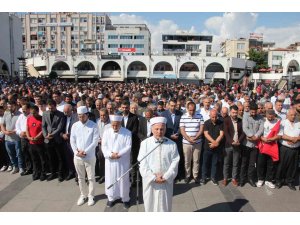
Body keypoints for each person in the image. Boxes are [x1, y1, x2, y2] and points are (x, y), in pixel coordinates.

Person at [138, 117, 179, 212]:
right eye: (156, 129)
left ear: (165, 129)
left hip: (165, 181)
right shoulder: (145, 144)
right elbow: (142, 163)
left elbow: (175, 162)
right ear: (152, 129)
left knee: (164, 206)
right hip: (151, 182)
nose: (159, 131)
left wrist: (166, 176)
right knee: (150, 205)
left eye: (162, 129)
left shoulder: (172, 144)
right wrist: (153, 177)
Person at [70, 106, 99, 206]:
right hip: (77, 157)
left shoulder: (94, 125)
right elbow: (72, 140)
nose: (80, 118)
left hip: (89, 156)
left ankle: (91, 196)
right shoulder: (75, 125)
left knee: (91, 177)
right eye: (79, 116)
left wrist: (85, 151)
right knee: (80, 177)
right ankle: (83, 195)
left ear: (87, 115)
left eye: (82, 116)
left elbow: (95, 141)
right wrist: (76, 152)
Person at [102, 114, 132, 209]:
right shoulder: (106, 132)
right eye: (113, 125)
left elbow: (128, 146)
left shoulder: (127, 132)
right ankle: (111, 198)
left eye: (117, 125)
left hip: (122, 161)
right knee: (111, 178)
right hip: (110, 161)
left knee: (123, 180)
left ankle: (125, 199)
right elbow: (104, 146)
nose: (115, 127)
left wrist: (119, 154)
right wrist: (111, 154)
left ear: (120, 123)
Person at [257, 109, 282, 189]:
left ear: (274, 115)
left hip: (272, 146)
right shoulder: (262, 121)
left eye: (272, 116)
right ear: (266, 115)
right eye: (269, 115)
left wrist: (271, 139)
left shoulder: (278, 122)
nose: (270, 117)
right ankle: (260, 179)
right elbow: (258, 132)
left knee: (271, 164)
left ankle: (268, 180)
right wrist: (262, 138)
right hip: (263, 145)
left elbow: (280, 135)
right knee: (261, 163)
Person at [180, 101, 204, 184]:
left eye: (193, 110)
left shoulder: (200, 116)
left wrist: (195, 137)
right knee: (187, 160)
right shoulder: (183, 117)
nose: (192, 112)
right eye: (190, 110)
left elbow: (201, 129)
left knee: (196, 160)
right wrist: (188, 138)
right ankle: (187, 176)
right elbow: (182, 130)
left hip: (197, 142)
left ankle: (195, 176)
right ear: (187, 109)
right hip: (186, 143)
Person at [275, 109, 300, 191]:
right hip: (285, 148)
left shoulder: (298, 122)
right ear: (287, 115)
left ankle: (290, 181)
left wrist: (296, 139)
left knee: (293, 166)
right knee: (282, 165)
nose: (293, 116)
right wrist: (291, 139)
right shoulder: (283, 122)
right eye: (291, 115)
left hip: (295, 148)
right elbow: (281, 134)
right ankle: (279, 181)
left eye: (294, 115)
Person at [42, 99, 66, 181]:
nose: (50, 110)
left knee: (59, 157)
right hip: (48, 140)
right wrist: (45, 135)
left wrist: (52, 134)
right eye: (49, 108)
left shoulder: (61, 114)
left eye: (52, 108)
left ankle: (60, 174)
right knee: (50, 157)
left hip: (57, 139)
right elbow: (43, 126)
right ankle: (53, 173)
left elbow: (60, 127)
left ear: (55, 106)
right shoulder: (45, 114)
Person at [161, 98, 184, 182]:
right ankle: (170, 175)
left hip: (178, 139)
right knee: (169, 158)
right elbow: (163, 127)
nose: (173, 107)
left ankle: (178, 175)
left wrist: (177, 134)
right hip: (168, 139)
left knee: (177, 157)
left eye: (175, 106)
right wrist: (170, 135)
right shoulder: (163, 114)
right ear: (168, 105)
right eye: (171, 105)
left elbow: (181, 125)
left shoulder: (180, 114)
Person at [223, 105, 245, 186]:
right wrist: (232, 142)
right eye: (233, 112)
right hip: (228, 145)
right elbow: (226, 132)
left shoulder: (240, 121)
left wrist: (239, 141)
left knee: (235, 163)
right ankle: (225, 178)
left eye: (236, 112)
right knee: (226, 163)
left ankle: (234, 178)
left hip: (237, 145)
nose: (235, 114)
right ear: (230, 112)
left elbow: (243, 132)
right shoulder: (226, 120)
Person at [202, 109, 224, 185]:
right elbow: (206, 134)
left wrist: (216, 143)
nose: (214, 118)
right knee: (205, 163)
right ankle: (204, 178)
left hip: (216, 148)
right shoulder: (206, 123)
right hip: (208, 147)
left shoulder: (220, 123)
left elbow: (221, 134)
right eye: (213, 117)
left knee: (214, 163)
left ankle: (213, 178)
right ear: (209, 116)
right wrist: (214, 142)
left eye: (215, 117)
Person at [1, 100, 23, 175]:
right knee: (11, 154)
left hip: (16, 138)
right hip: (7, 138)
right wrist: (5, 131)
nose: (9, 108)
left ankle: (21, 167)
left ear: (15, 106)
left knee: (19, 154)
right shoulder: (6, 113)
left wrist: (14, 131)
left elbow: (22, 125)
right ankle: (15, 166)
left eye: (11, 106)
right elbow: (2, 124)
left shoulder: (20, 114)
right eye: (8, 106)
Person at [26, 105, 46, 181]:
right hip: (31, 143)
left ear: (37, 111)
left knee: (42, 159)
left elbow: (43, 129)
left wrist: (37, 137)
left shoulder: (42, 119)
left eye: (34, 113)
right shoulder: (29, 118)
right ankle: (36, 172)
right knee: (34, 159)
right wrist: (28, 137)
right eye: (31, 113)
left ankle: (43, 173)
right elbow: (27, 129)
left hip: (40, 143)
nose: (33, 114)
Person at [16, 103, 33, 176]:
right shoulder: (20, 116)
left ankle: (36, 169)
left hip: (31, 138)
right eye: (22, 109)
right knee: (25, 153)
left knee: (33, 154)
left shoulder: (32, 116)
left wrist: (28, 134)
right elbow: (17, 127)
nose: (23, 111)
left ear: (29, 109)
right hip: (23, 138)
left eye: (25, 109)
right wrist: (20, 133)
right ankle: (29, 168)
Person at [96, 108, 110, 184]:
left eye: (104, 115)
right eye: (101, 115)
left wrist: (104, 140)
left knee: (108, 161)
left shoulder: (111, 123)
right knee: (101, 161)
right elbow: (96, 132)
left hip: (108, 145)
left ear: (107, 115)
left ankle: (109, 176)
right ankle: (103, 176)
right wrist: (98, 139)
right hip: (99, 145)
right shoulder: (97, 121)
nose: (102, 117)